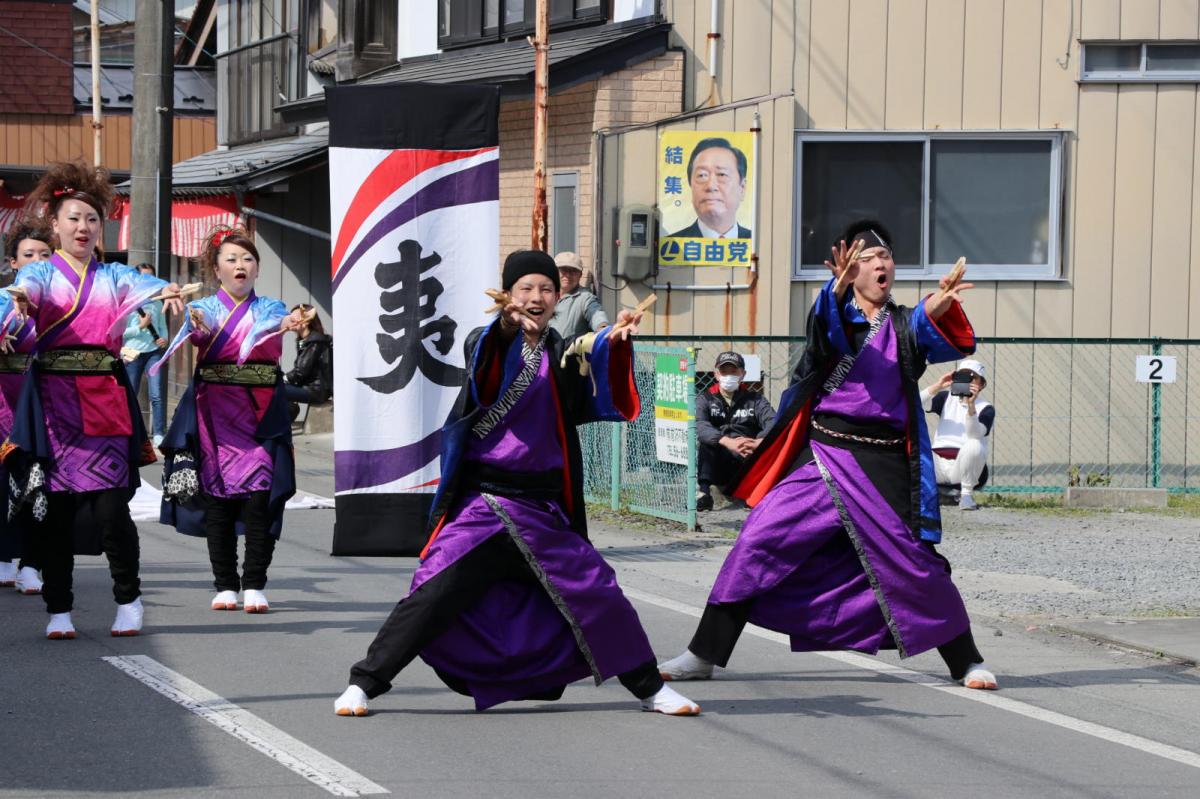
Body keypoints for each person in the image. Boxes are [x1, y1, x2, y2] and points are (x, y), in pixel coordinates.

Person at [333, 250, 700, 718]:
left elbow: (593, 384)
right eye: (526, 288)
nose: (537, 297)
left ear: (558, 296)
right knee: (433, 594)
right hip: (484, 505)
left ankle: (650, 689)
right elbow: (485, 362)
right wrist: (507, 330)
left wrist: (616, 340)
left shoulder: (559, 350)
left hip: (544, 509)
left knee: (598, 592)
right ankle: (364, 683)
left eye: (546, 289)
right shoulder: (486, 339)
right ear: (509, 295)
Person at [658, 220, 998, 691]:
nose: (880, 264)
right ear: (849, 270)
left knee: (912, 562)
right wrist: (834, 291)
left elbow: (934, 327)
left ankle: (966, 661)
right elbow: (824, 332)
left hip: (883, 465)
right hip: (824, 454)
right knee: (757, 541)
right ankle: (703, 653)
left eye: (886, 257)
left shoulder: (903, 323)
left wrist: (940, 302)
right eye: (867, 258)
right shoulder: (835, 314)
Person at [3, 159, 182, 640]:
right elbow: (25, 291)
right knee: (55, 511)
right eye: (73, 218)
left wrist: (166, 290)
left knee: (110, 511)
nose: (83, 227)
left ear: (101, 227)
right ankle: (59, 609)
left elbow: (150, 287)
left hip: (103, 399)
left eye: (91, 220)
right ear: (55, 224)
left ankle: (128, 598)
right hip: (54, 405)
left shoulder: (114, 278)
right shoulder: (40, 275)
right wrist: (18, 297)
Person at [154, 227, 303, 614]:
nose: (241, 265)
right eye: (232, 259)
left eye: (248, 259)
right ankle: (225, 584)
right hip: (214, 411)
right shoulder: (204, 308)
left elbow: (271, 326)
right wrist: (197, 326)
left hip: (260, 412)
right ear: (216, 269)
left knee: (260, 497)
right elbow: (197, 333)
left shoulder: (271, 308)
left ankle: (254, 582)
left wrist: (288, 323)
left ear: (257, 269)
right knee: (217, 499)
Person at [0, 219, 53, 595]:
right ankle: (3, 555)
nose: (37, 260)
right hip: (3, 399)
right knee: (4, 482)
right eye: (29, 254)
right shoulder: (2, 299)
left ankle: (33, 562)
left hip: (45, 401)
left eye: (45, 254)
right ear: (12, 262)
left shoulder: (59, 302)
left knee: (42, 482)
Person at [695, 350, 776, 511]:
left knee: (767, 447)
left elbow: (773, 421)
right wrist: (727, 442)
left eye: (734, 371)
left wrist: (759, 442)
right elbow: (699, 425)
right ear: (716, 374)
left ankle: (755, 493)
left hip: (746, 457)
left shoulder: (755, 400)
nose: (728, 375)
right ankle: (704, 494)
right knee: (707, 445)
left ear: (743, 374)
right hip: (719, 460)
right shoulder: (705, 398)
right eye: (724, 371)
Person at [921, 359, 994, 511]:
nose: (967, 381)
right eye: (963, 376)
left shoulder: (986, 408)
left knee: (974, 444)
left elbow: (975, 434)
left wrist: (971, 406)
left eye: (972, 377)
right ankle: (920, 495)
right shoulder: (945, 398)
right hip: (937, 466)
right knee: (916, 442)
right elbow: (914, 404)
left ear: (981, 384)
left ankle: (966, 496)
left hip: (962, 468)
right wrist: (938, 385)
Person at [665, 137, 751, 239]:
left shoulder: (758, 243)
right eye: (702, 175)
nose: (710, 186)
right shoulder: (672, 245)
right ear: (690, 185)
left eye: (722, 174)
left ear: (742, 188)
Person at [121, 263, 168, 447]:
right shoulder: (128, 303)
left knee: (156, 394)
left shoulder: (158, 302)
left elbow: (163, 327)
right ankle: (131, 432)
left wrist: (164, 338)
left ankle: (158, 433)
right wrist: (140, 326)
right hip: (132, 353)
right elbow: (121, 333)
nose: (147, 281)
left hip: (153, 353)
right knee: (130, 394)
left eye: (151, 277)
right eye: (143, 277)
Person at [283, 303, 333, 421]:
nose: (291, 319)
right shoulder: (306, 341)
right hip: (309, 387)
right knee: (280, 393)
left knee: (277, 390)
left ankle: (282, 430)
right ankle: (286, 424)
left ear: (306, 321)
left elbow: (301, 371)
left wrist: (284, 378)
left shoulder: (315, 341)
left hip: (316, 390)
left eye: (295, 317)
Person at [548, 251, 608, 339]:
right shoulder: (545, 295)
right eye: (563, 270)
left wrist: (604, 329)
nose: (568, 275)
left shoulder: (585, 297)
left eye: (573, 271)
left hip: (567, 352)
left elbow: (596, 314)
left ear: (580, 275)